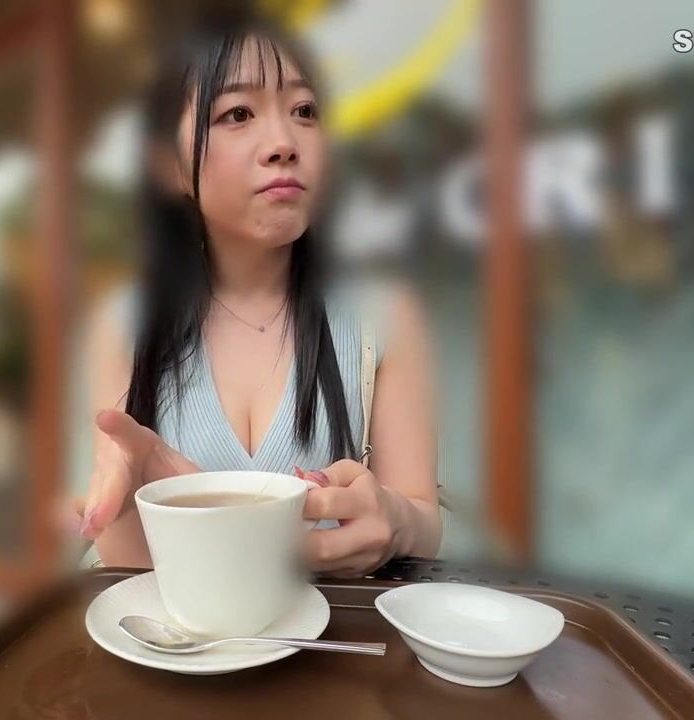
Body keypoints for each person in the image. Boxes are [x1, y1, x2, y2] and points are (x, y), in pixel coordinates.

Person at [67, 16, 441, 577]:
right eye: (238, 114)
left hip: (337, 628)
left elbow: (423, 518)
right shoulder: (126, 323)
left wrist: (397, 522)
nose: (284, 143)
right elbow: (128, 565)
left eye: (304, 110)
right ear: (169, 164)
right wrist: (127, 497)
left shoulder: (383, 313)